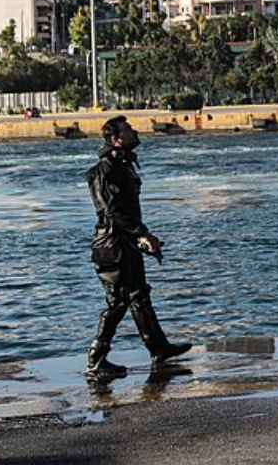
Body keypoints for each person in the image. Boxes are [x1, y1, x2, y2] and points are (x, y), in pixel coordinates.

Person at [85, 115, 193, 379]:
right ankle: (96, 360)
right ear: (116, 139)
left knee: (139, 296)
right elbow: (113, 213)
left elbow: (128, 214)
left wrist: (140, 238)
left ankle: (159, 349)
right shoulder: (105, 170)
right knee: (118, 301)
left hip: (125, 242)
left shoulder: (124, 166)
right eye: (129, 130)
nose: (135, 132)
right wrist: (144, 233)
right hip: (111, 245)